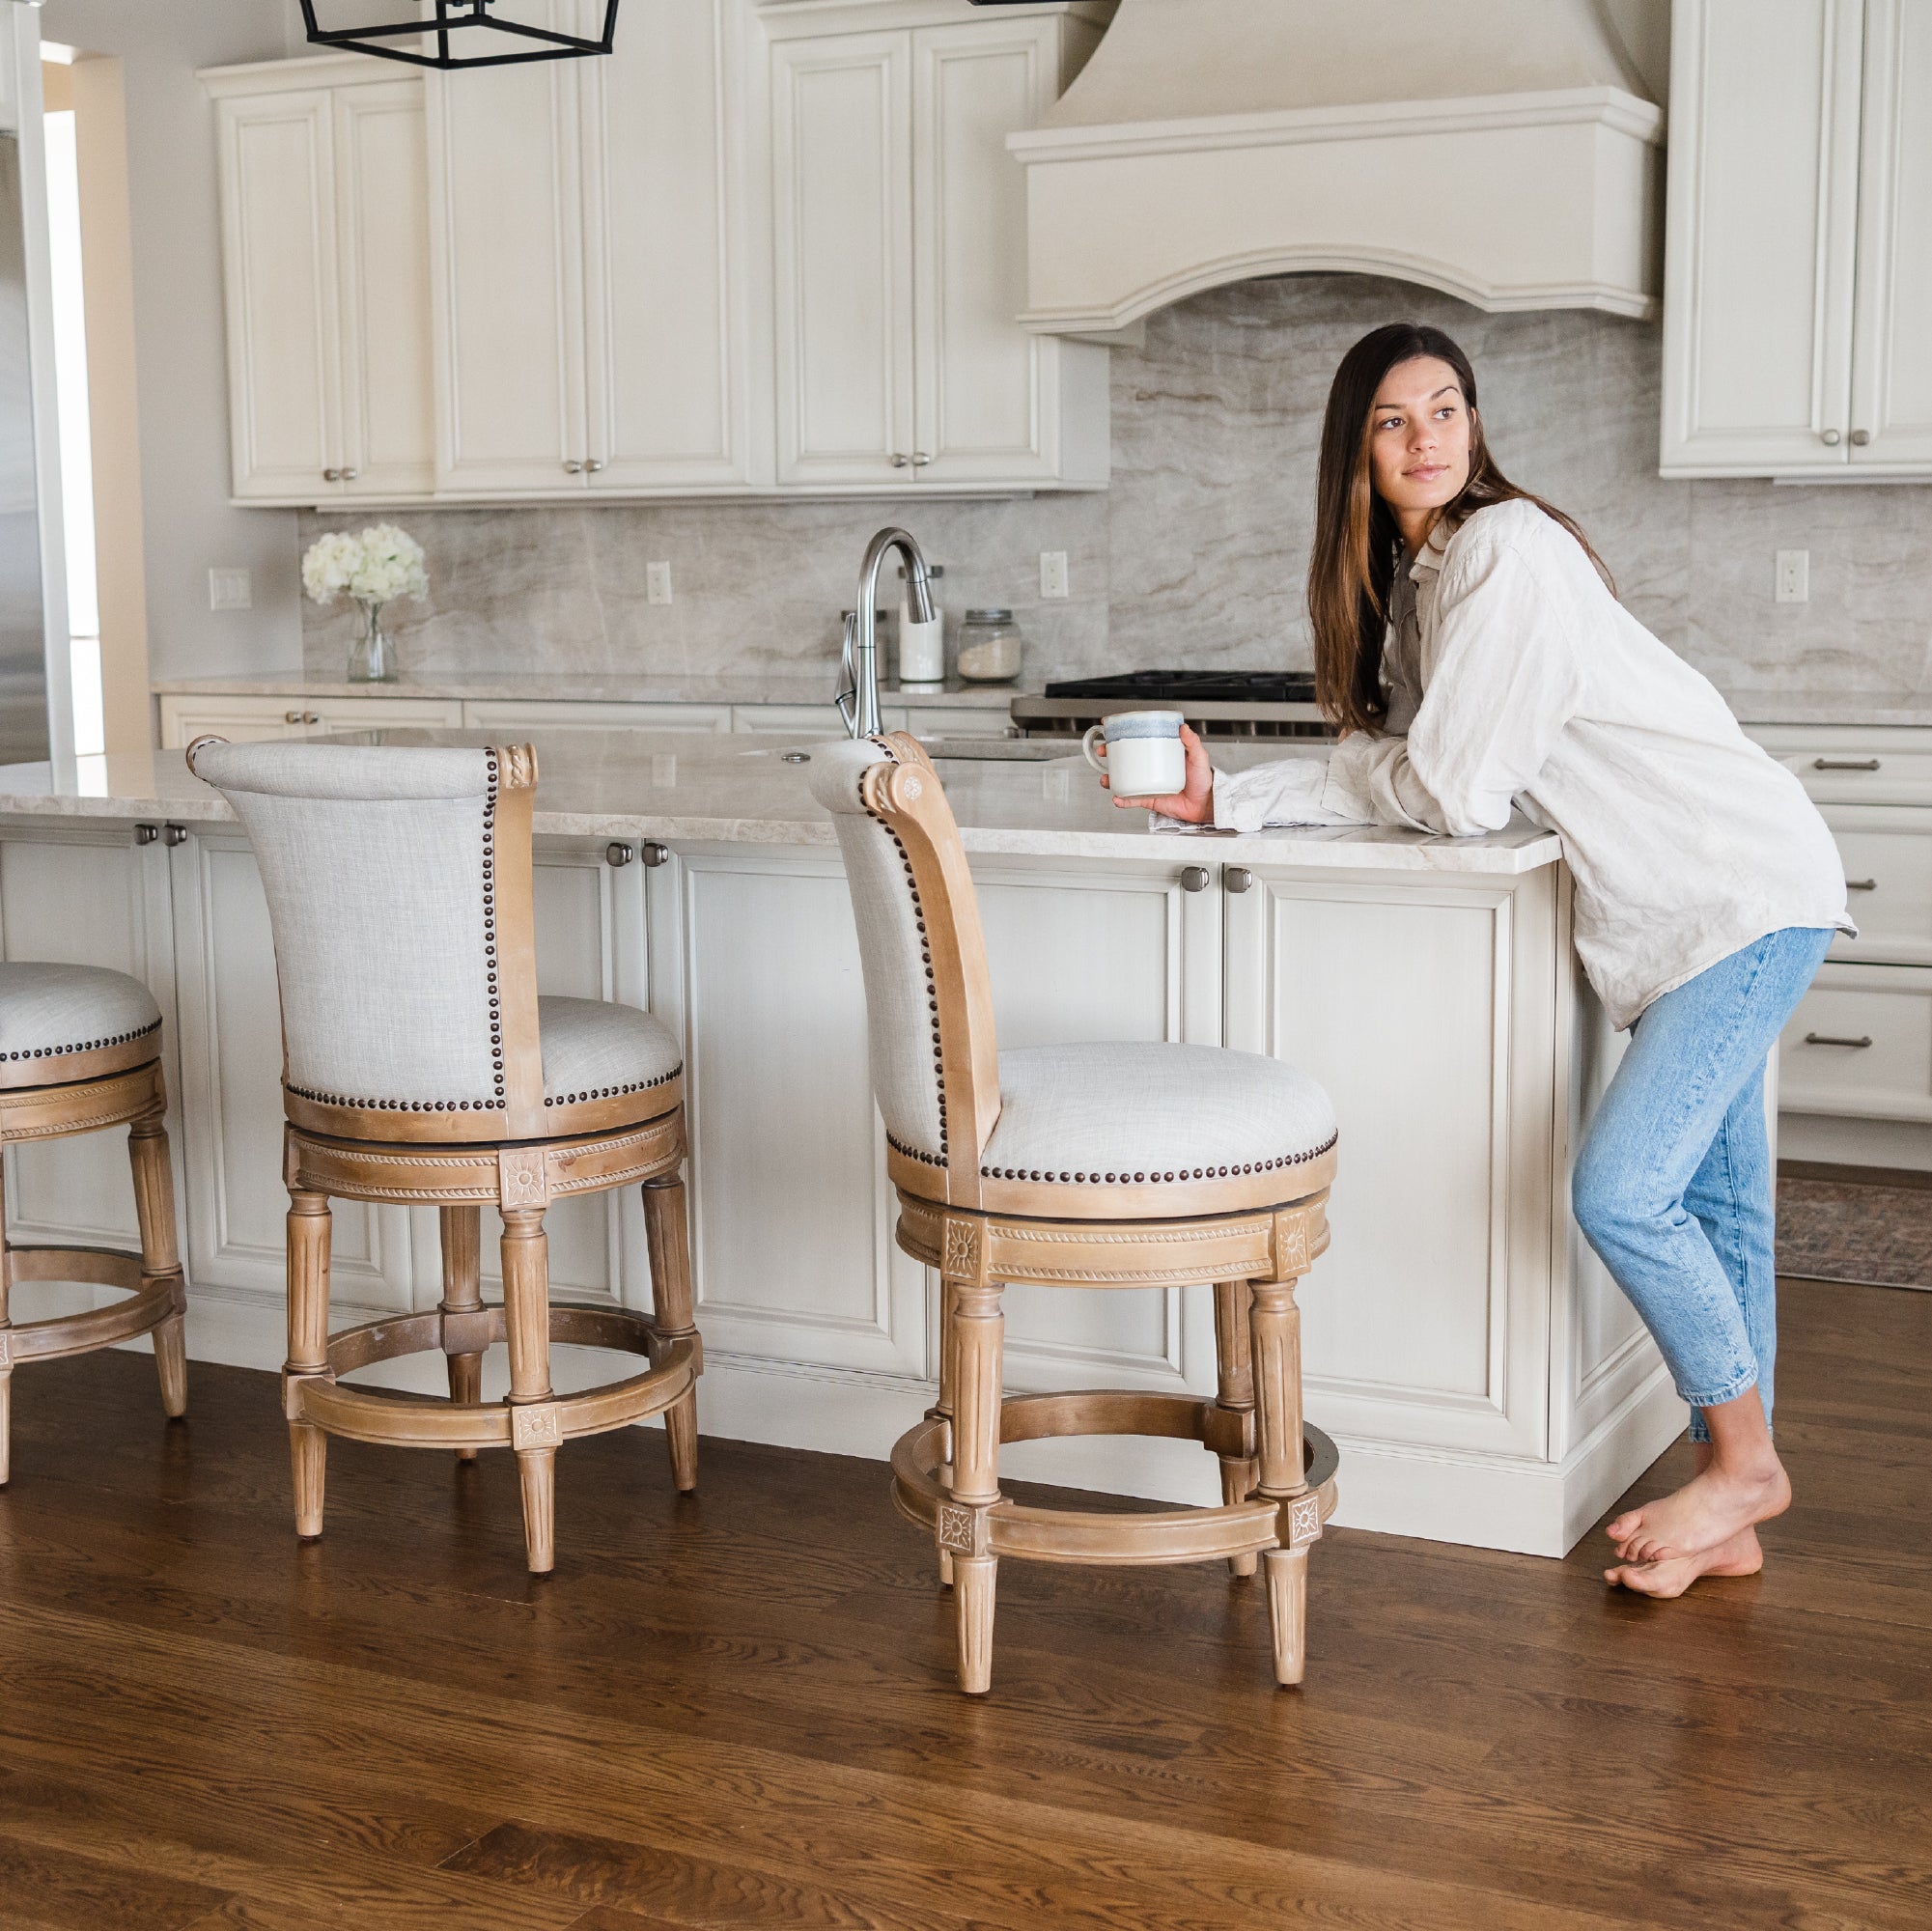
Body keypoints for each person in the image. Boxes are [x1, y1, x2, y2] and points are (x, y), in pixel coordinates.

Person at [1106, 322, 1851, 1598]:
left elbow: (1448, 792)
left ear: (1473, 423)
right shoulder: (1418, 593)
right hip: (1682, 906)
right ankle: (1734, 1503)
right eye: (1394, 420)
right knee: (1718, 1206)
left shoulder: (1505, 549)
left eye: (1445, 409)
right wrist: (1229, 797)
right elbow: (1415, 776)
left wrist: (1327, 782)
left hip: (1733, 884)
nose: (1427, 438)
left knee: (1622, 1194)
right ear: (1355, 451)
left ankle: (1740, 1470)